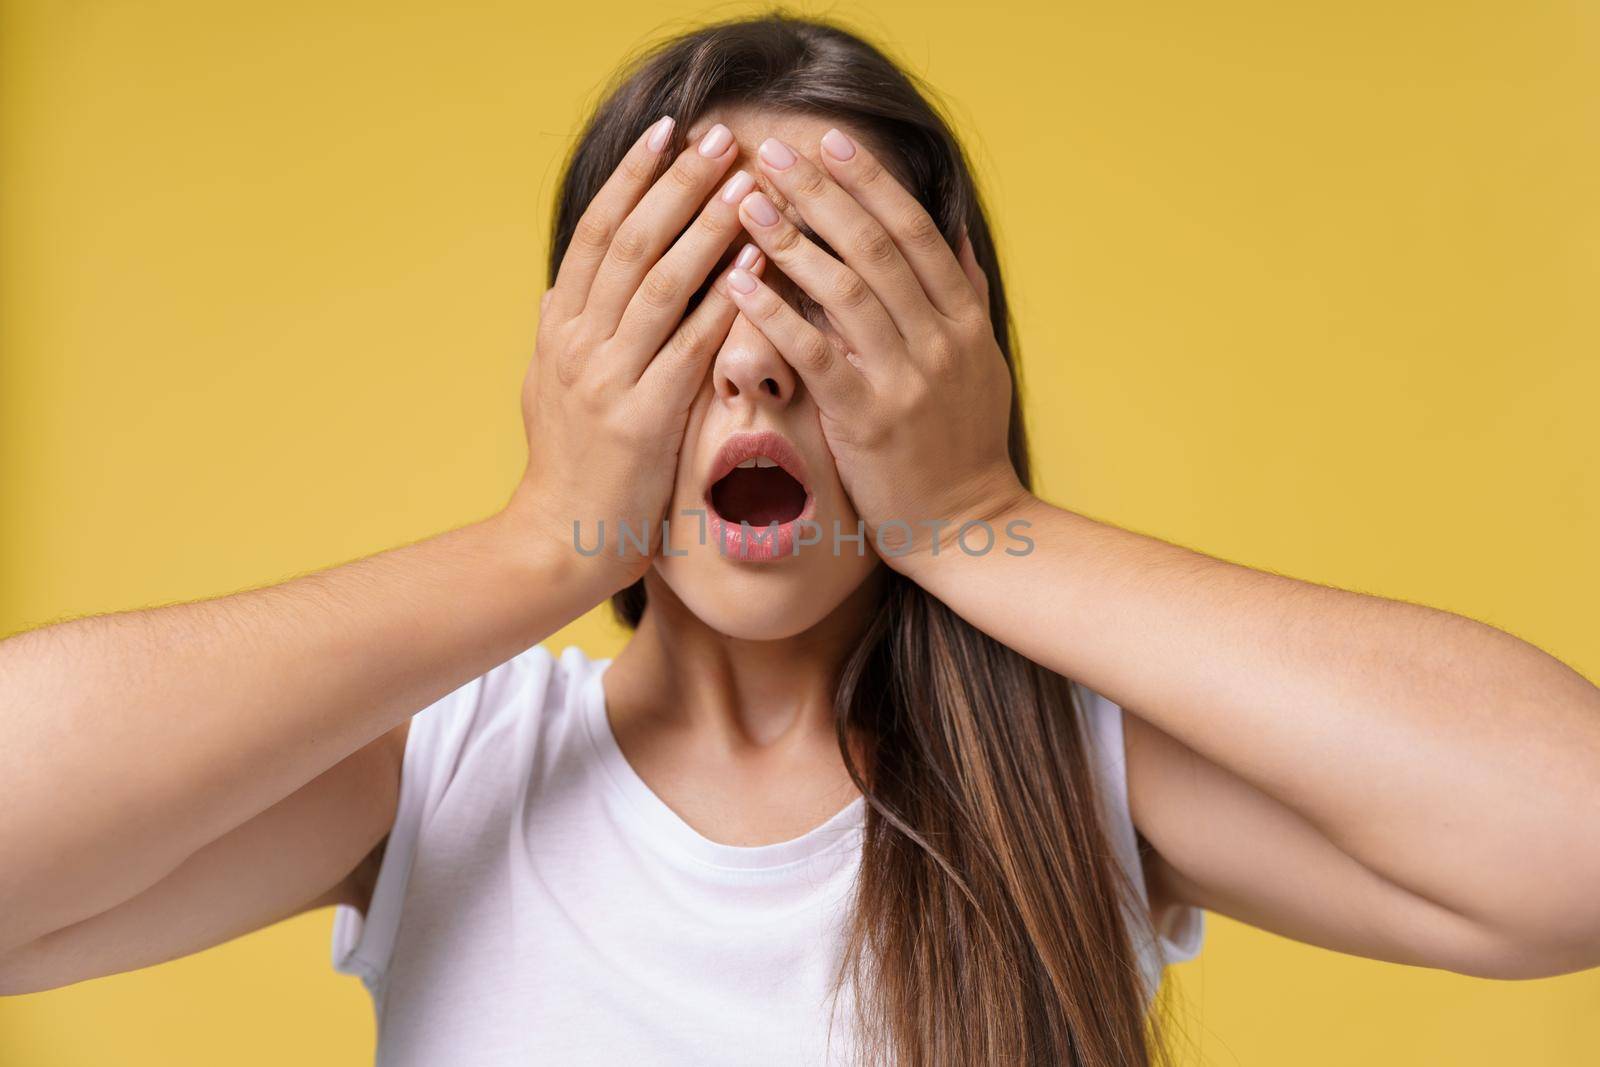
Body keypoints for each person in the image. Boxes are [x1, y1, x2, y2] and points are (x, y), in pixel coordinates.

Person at [2, 13, 1597, 1067]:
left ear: (955, 362)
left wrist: (979, 522)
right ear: (583, 364)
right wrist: (541, 542)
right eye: (687, 302)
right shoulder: (443, 774)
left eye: (830, 297)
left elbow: (1570, 850)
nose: (759, 362)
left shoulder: (1079, 777)